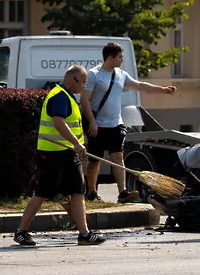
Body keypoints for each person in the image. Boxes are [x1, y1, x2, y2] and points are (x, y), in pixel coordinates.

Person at [14, 65, 105, 246]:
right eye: (84, 82)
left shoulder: (68, 96)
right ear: (76, 79)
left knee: (78, 191)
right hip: (53, 154)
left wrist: (75, 146)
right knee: (42, 193)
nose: (84, 87)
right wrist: (77, 143)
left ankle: (84, 234)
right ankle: (21, 232)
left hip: (68, 154)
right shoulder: (60, 96)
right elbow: (58, 123)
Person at [81, 43, 176, 203]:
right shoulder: (94, 74)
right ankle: (91, 192)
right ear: (110, 57)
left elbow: (140, 86)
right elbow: (84, 100)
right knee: (95, 159)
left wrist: (162, 90)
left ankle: (123, 192)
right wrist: (91, 122)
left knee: (118, 156)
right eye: (120, 57)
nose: (122, 60)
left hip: (116, 124)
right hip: (97, 124)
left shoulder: (121, 74)